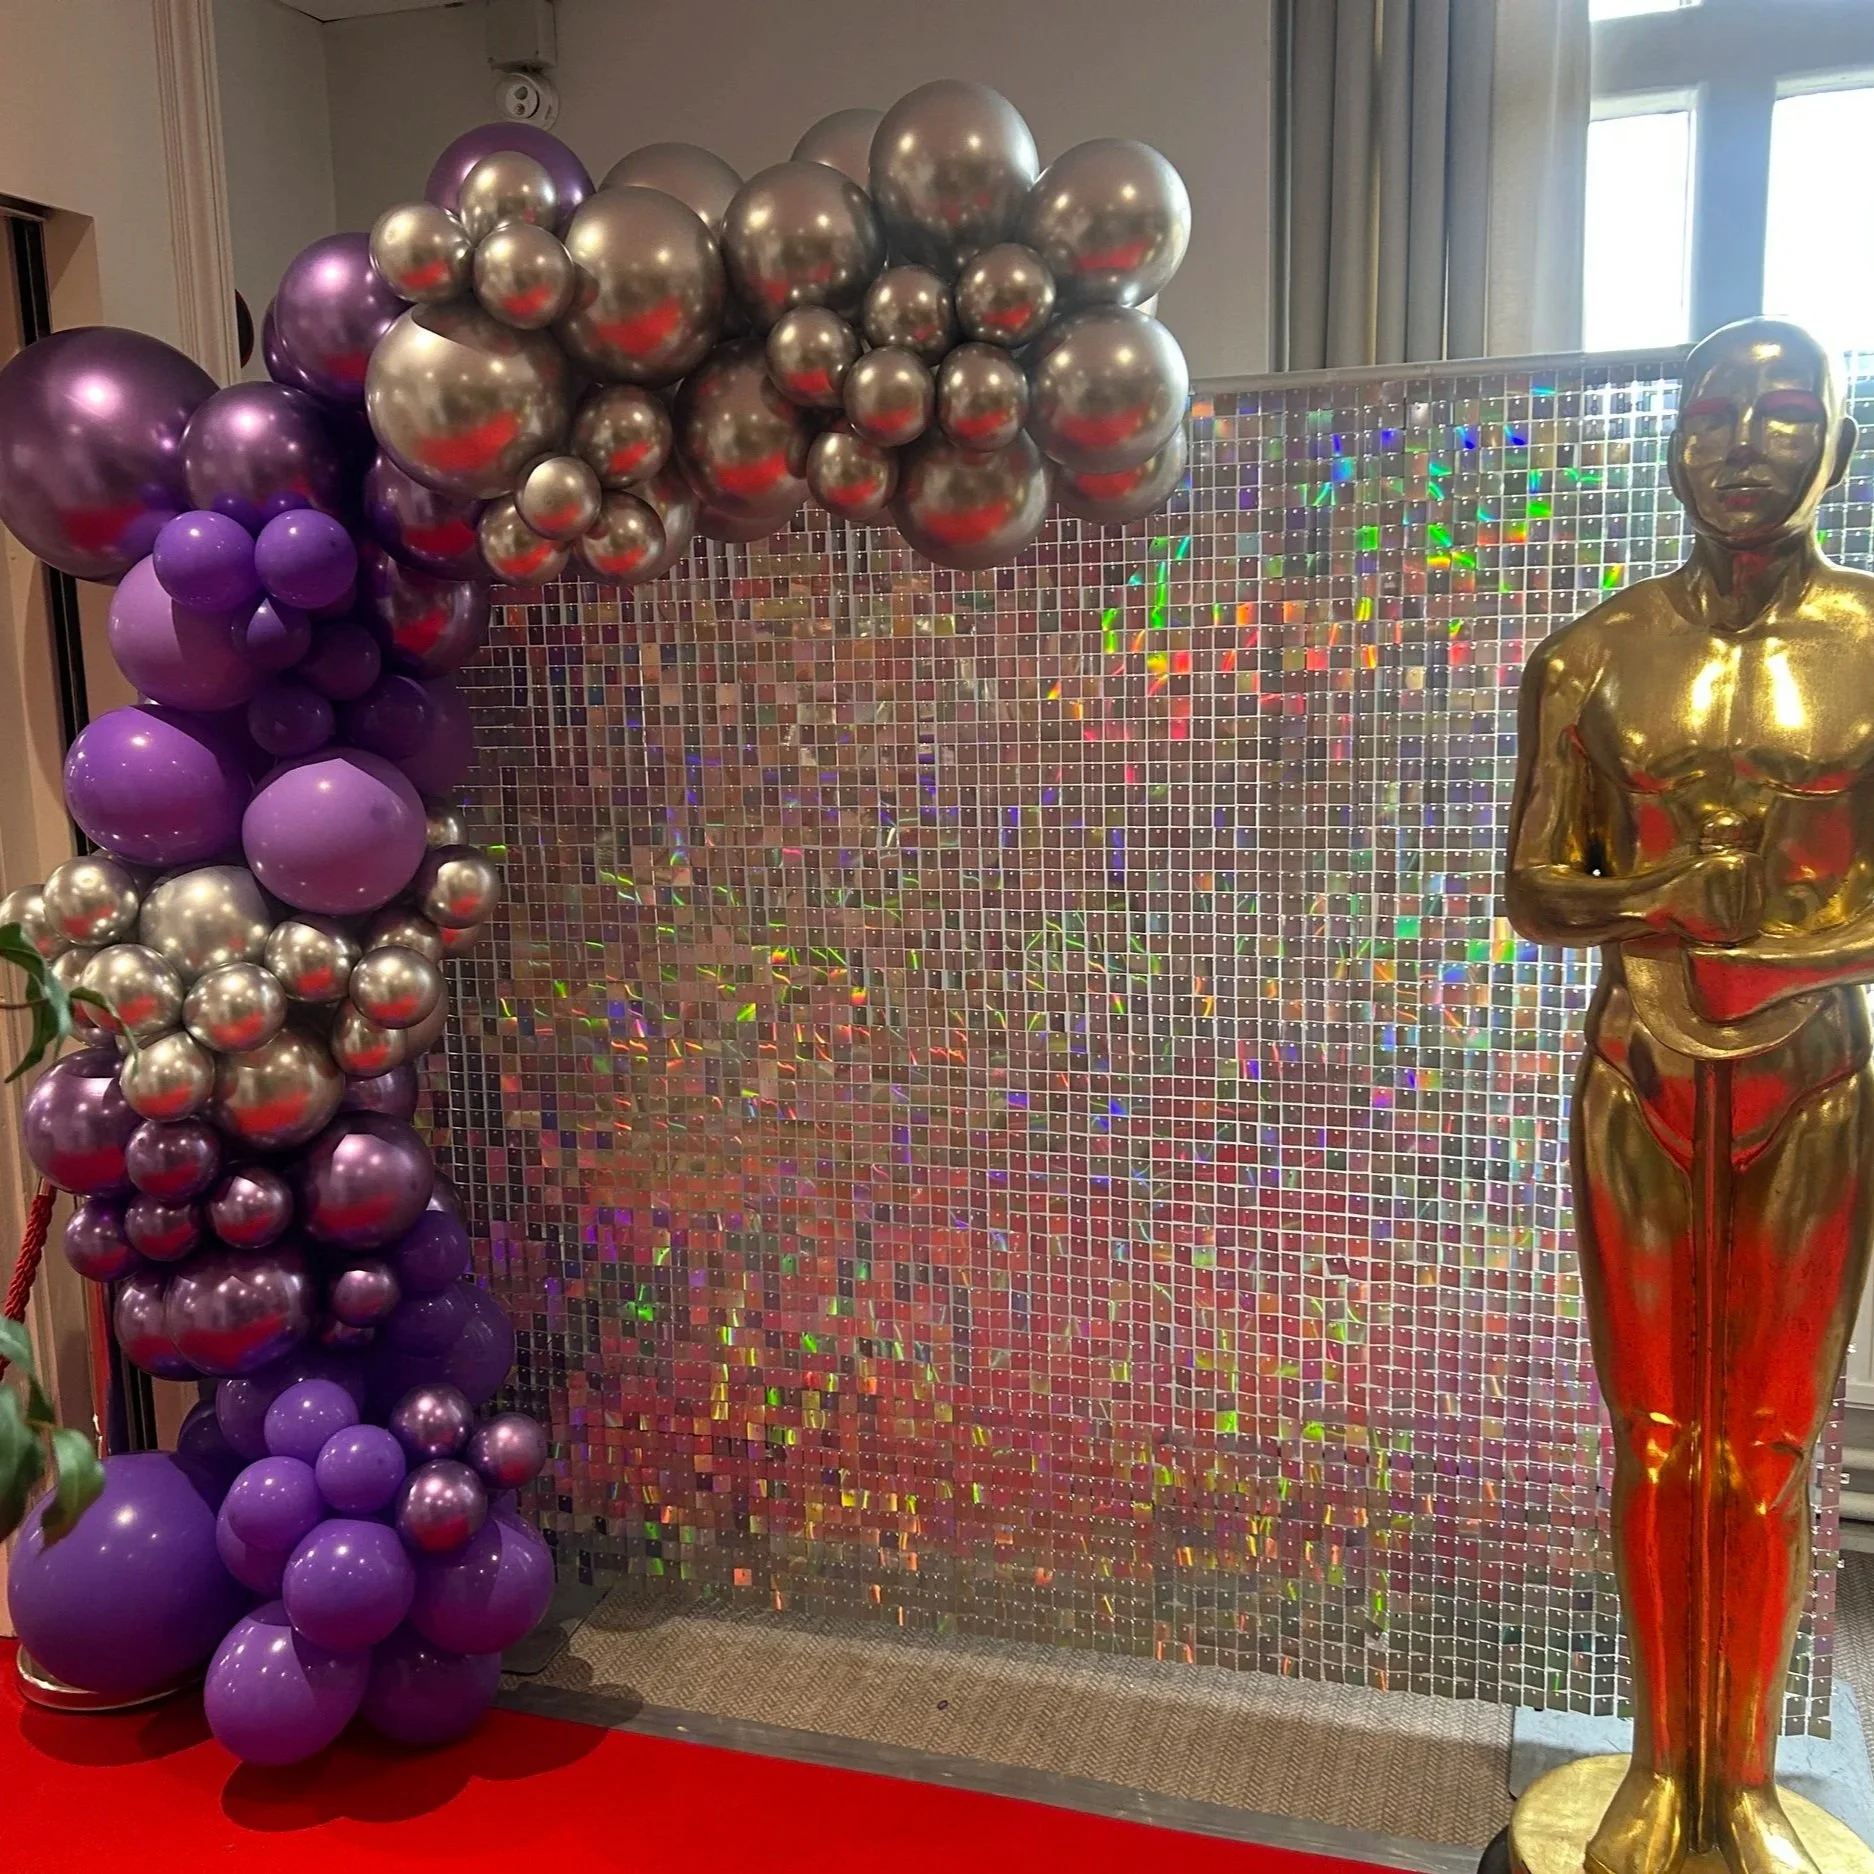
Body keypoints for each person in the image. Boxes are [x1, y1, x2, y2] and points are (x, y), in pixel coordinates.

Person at [1505, 317, 1872, 1874]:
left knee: (1774, 1442)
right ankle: (1665, 1771)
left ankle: (1750, 1784)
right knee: (1655, 1438)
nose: (1743, 442)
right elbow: (1532, 882)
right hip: (1638, 1069)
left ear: (1836, 442)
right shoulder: (1589, 653)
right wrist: (1664, 886)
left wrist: (1780, 929)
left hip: (1807, 1073)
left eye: (1783, 415)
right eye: (1715, 412)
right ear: (1670, 441)